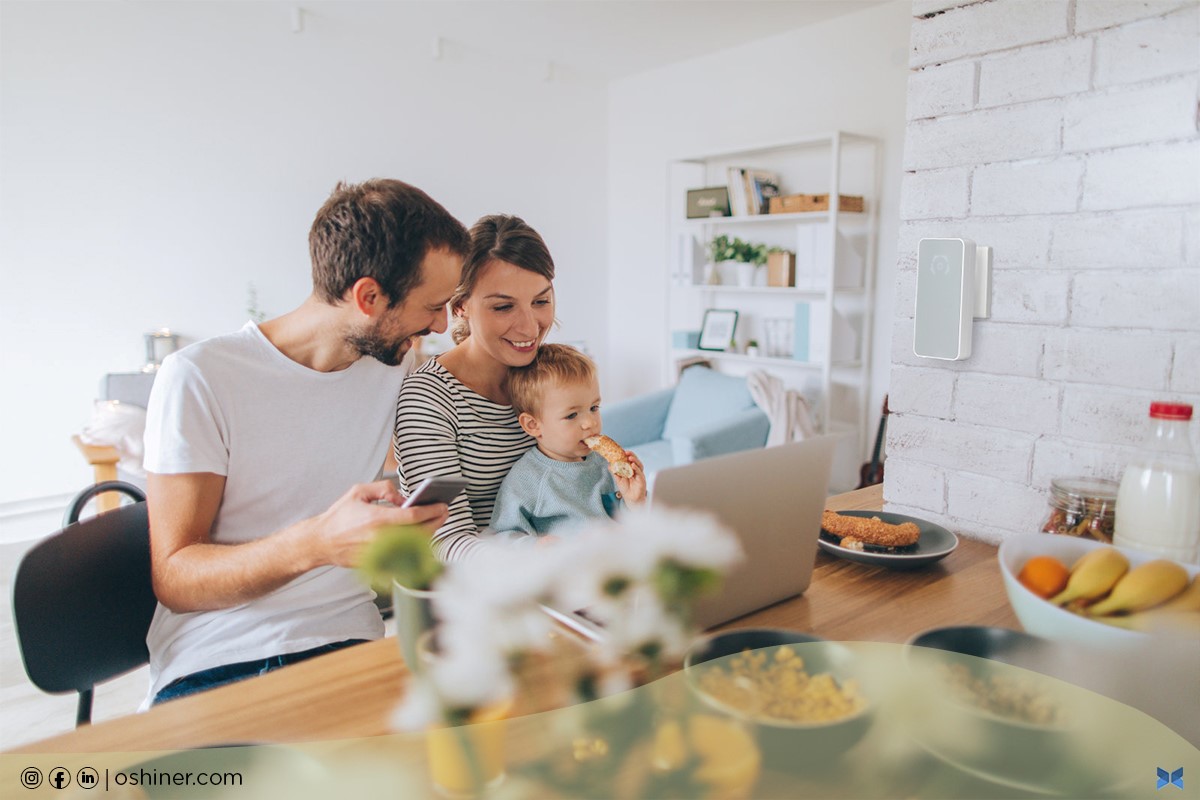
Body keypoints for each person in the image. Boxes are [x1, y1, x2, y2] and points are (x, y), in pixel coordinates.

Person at [142, 179, 469, 704]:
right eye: (433, 305)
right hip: (221, 659)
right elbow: (175, 578)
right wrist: (317, 543)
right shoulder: (201, 376)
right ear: (368, 297)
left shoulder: (397, 365)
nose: (441, 324)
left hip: (350, 647)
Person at [393, 214, 556, 562]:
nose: (530, 327)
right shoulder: (429, 399)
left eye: (540, 301)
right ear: (461, 306)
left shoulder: (552, 375)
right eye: (503, 306)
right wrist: (535, 558)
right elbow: (446, 541)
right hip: (482, 592)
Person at [489, 344, 646, 541]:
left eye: (594, 408)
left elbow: (626, 523)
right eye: (571, 415)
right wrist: (535, 546)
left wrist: (634, 502)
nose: (590, 423)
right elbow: (502, 537)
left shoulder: (605, 465)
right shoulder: (526, 480)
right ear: (533, 425)